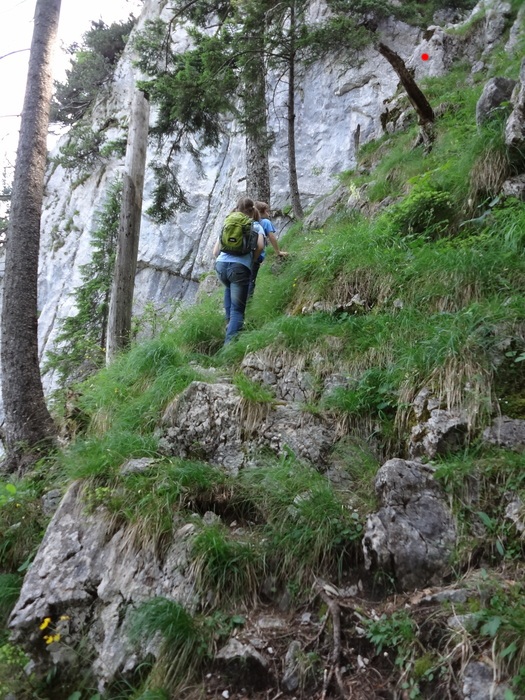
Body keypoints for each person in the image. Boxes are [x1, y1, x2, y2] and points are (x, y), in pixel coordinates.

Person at [213, 197, 265, 343]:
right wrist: (252, 259)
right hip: (240, 268)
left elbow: (215, 251)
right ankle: (229, 346)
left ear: (237, 208)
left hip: (221, 266)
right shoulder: (254, 225)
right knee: (238, 310)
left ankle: (229, 325)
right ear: (252, 210)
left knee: (229, 289)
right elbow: (260, 246)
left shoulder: (227, 222)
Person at [248, 201, 288, 297]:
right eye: (267, 211)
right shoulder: (265, 222)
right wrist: (278, 251)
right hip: (256, 256)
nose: (268, 214)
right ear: (261, 212)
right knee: (251, 280)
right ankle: (247, 303)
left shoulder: (249, 222)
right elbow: (272, 237)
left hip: (244, 254)